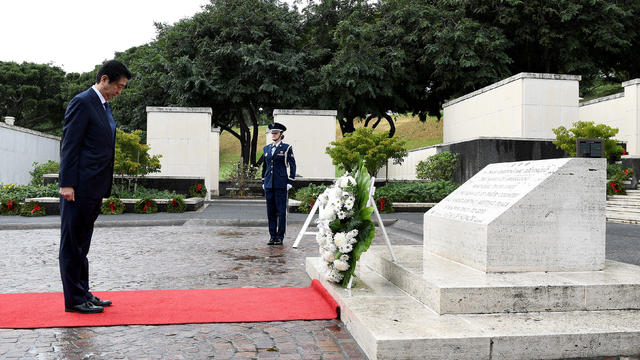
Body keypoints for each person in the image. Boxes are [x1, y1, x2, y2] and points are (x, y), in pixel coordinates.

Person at [58, 60, 131, 314]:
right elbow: (69, 144)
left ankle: (83, 293)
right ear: (104, 80)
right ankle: (74, 300)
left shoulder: (103, 106)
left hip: (94, 187)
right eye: (118, 86)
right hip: (77, 188)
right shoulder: (82, 102)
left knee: (82, 245)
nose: (120, 92)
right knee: (72, 244)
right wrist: (66, 183)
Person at [262, 122, 296, 245]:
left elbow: (292, 165)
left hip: (281, 184)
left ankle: (280, 236)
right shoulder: (266, 148)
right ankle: (272, 236)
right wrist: (263, 180)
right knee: (270, 212)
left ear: (281, 134)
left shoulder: (286, 148)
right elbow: (264, 166)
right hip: (269, 184)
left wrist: (290, 181)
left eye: (276, 133)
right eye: (272, 133)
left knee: (281, 212)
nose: (273, 135)